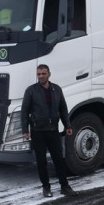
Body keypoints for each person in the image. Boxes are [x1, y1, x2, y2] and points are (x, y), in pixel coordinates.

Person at [21, 64, 78, 197]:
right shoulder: (31, 90)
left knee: (59, 159)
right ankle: (46, 187)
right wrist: (25, 130)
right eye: (39, 74)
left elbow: (63, 109)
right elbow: (24, 112)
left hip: (53, 130)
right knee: (41, 161)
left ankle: (65, 186)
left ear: (49, 74)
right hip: (38, 131)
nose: (41, 76)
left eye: (43, 74)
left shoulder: (56, 89)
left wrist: (68, 125)